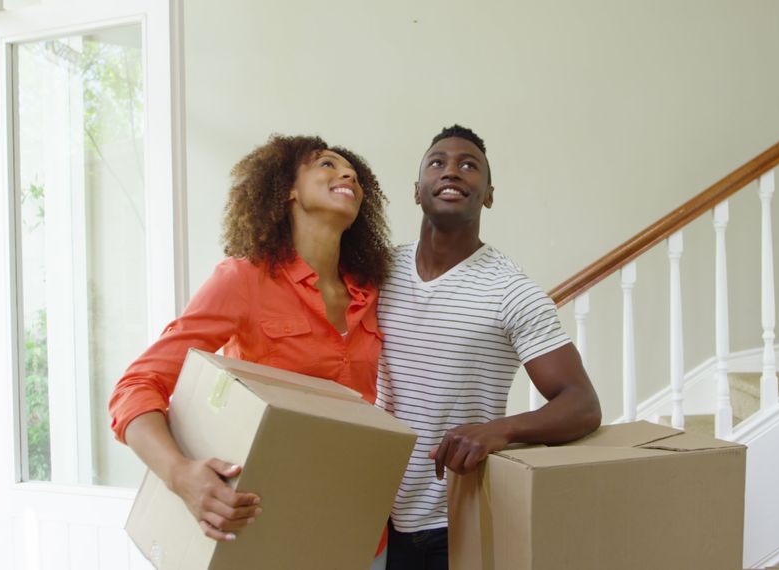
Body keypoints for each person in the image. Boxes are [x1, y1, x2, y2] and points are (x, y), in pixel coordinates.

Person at [109, 135, 392, 542]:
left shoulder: (375, 293)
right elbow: (135, 388)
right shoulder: (244, 280)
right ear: (288, 189)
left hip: (359, 525)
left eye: (352, 171)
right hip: (264, 524)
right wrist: (180, 474)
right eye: (326, 164)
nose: (347, 173)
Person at [376, 125, 602, 569]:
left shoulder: (511, 291)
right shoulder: (378, 270)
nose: (452, 171)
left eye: (468, 165)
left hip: (452, 522)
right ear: (417, 191)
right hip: (372, 512)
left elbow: (582, 404)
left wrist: (501, 430)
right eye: (437, 163)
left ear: (489, 195)